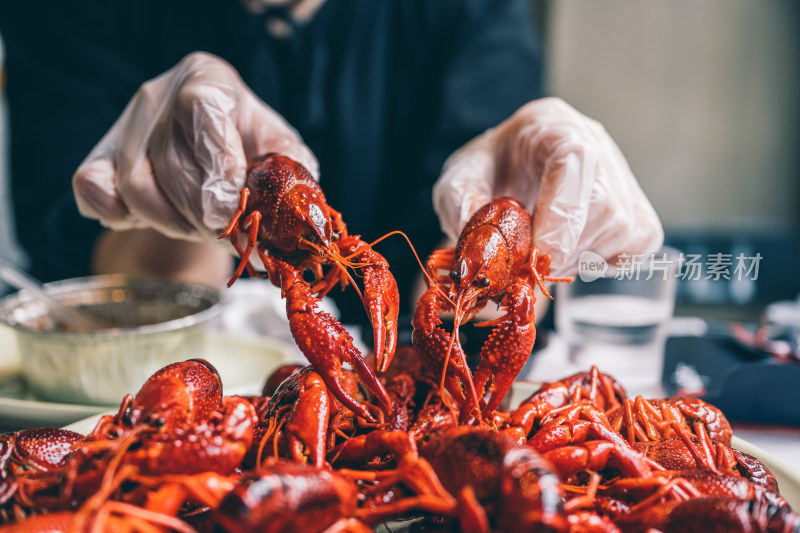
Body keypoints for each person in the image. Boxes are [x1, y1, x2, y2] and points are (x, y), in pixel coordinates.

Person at [0, 0, 662, 328]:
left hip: (407, 400)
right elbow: (96, 285)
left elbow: (456, 304)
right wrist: (188, 206)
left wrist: (527, 221)